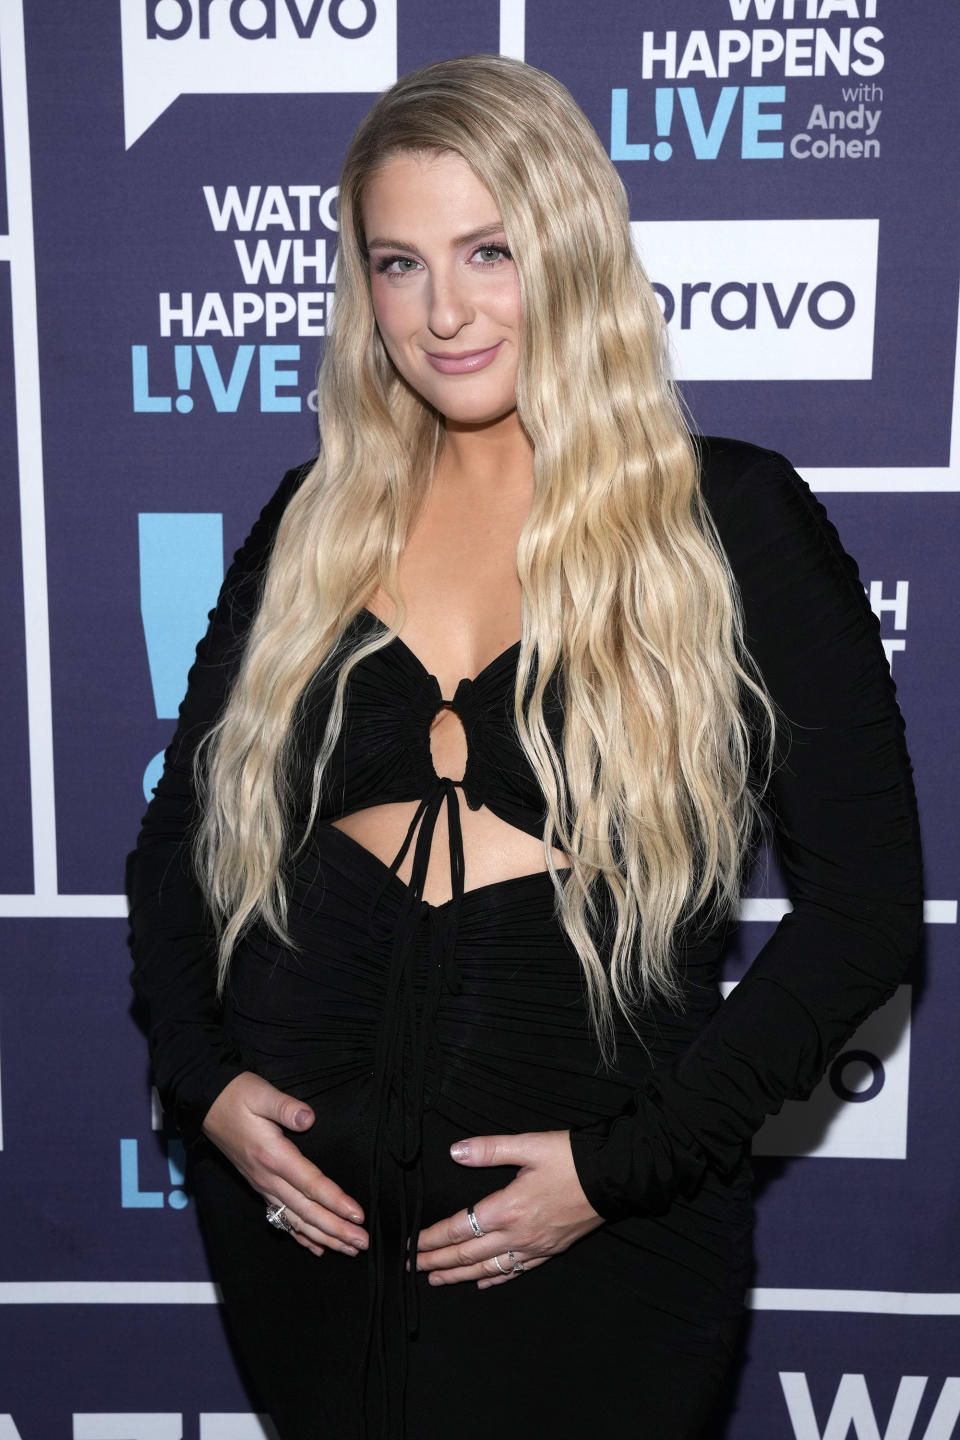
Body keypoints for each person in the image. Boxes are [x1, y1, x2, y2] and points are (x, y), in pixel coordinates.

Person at [127, 53, 923, 1440]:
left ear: (565, 246)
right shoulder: (312, 527)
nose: (444, 311)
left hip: (603, 1248)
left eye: (487, 250)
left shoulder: (729, 523)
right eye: (398, 262)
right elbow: (175, 853)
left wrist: (623, 1172)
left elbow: (866, 915)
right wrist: (209, 1093)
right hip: (308, 1242)